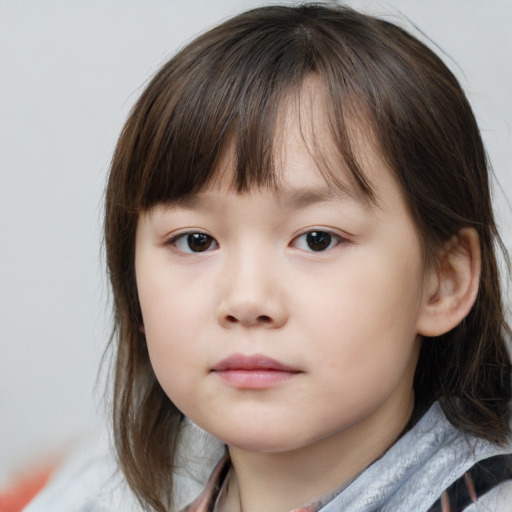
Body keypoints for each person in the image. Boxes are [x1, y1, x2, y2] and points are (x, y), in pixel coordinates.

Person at [26, 3, 512, 512]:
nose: (247, 299)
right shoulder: (105, 486)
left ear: (444, 281)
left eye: (317, 239)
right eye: (195, 241)